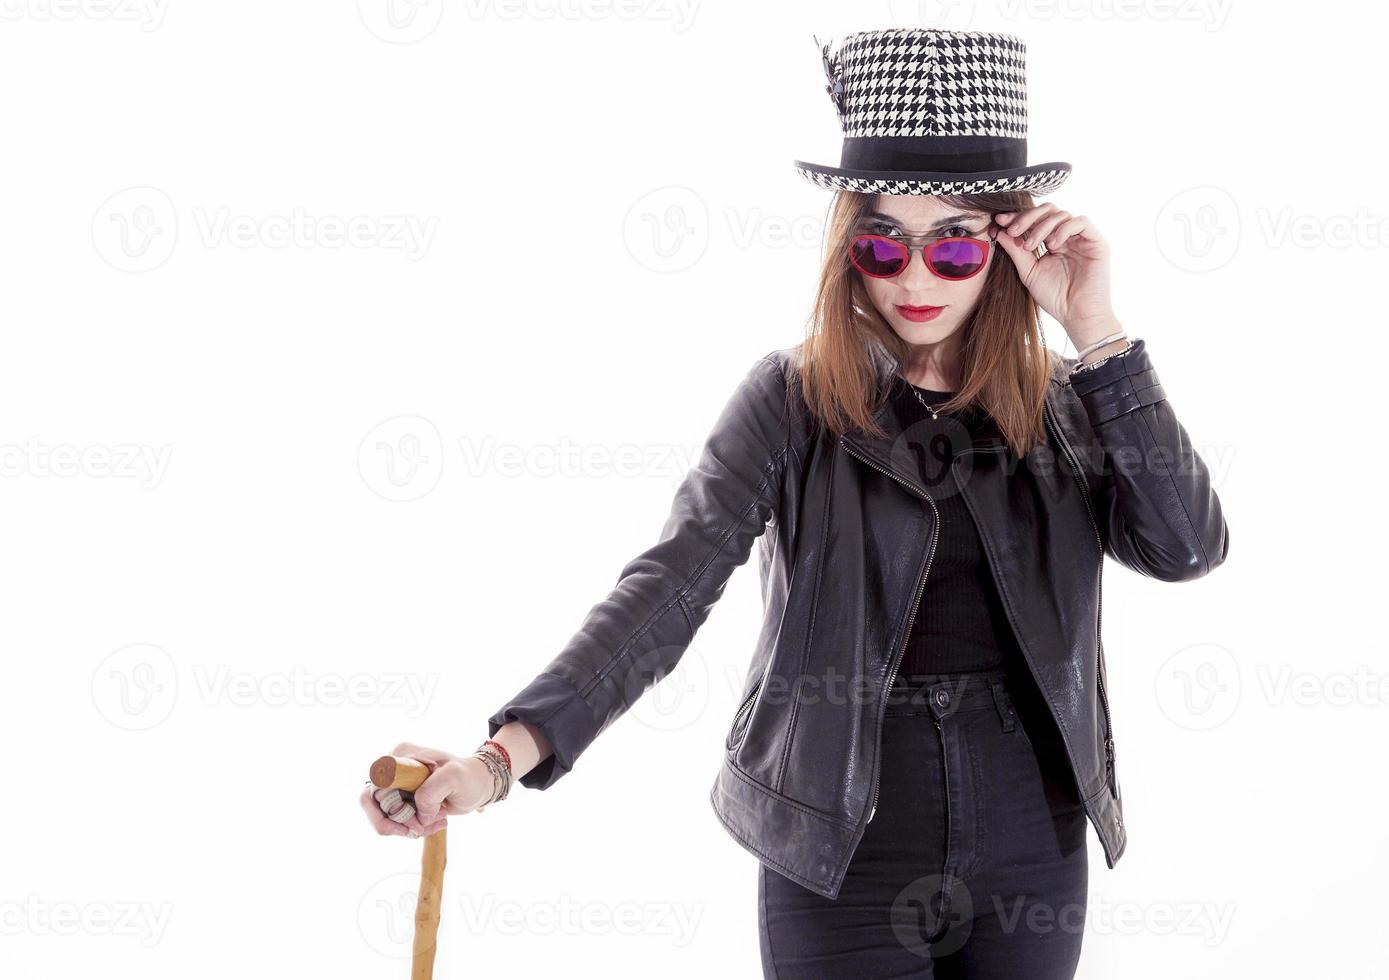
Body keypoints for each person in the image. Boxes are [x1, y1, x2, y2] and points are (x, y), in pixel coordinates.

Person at [359, 28, 1229, 978]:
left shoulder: (1065, 404)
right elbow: (669, 586)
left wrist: (1098, 334)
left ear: (1009, 246)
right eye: (881, 245)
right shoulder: (791, 398)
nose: (910, 279)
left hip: (1033, 835)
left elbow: (1184, 547)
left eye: (953, 248)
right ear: (846, 247)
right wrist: (498, 762)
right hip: (840, 842)